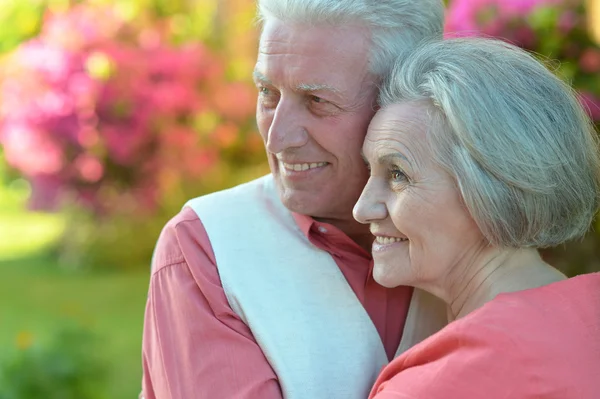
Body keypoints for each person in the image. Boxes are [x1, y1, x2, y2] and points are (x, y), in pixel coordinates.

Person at [140, 1, 446, 398]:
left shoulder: (482, 233)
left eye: (318, 101)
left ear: (406, 101)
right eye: (267, 92)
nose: (276, 137)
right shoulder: (206, 249)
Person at [353, 37, 600, 399]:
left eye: (397, 174)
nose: (362, 208)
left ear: (490, 187)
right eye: (369, 171)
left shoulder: (439, 385)